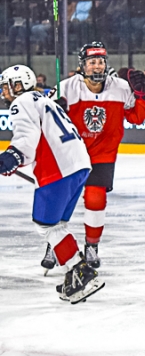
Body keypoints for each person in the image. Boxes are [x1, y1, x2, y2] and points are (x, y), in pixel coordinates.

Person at [42, 42, 145, 272]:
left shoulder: (121, 87)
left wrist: (144, 96)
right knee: (62, 202)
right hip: (70, 154)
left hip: (102, 154)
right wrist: (55, 110)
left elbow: (137, 117)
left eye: (101, 61)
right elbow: (44, 118)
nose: (97, 66)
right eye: (92, 62)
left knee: (95, 199)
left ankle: (91, 246)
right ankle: (55, 244)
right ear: (82, 65)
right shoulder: (66, 88)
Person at [0, 65, 103, 304]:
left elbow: (27, 137)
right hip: (79, 164)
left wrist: (14, 156)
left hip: (59, 169)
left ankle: (81, 272)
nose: (4, 92)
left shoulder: (22, 101)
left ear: (18, 85)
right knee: (57, 224)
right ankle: (75, 272)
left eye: (6, 86)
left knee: (46, 226)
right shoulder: (44, 99)